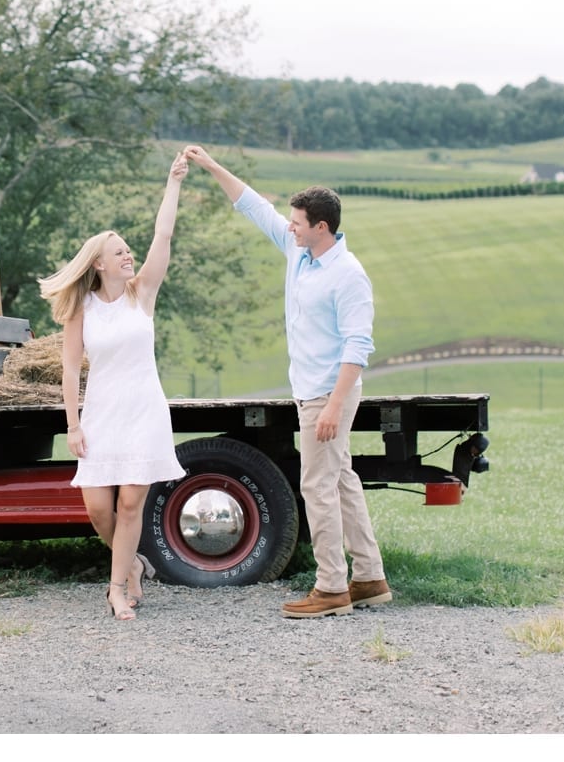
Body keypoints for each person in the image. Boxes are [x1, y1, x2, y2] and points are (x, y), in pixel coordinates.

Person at [184, 145, 391, 619]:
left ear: (322, 227)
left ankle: (332, 587)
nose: (289, 226)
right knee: (341, 482)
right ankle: (370, 577)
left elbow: (357, 349)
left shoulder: (348, 275)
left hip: (329, 394)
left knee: (317, 486)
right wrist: (213, 166)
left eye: (297, 222)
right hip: (312, 391)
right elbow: (253, 205)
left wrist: (335, 408)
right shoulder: (299, 254)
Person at [38, 152, 189, 621]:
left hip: (144, 410)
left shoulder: (142, 293)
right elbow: (68, 370)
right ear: (99, 264)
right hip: (101, 416)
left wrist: (174, 183)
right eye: (120, 251)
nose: (129, 255)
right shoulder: (82, 307)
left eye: (129, 249)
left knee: (129, 504)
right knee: (101, 512)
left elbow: (163, 235)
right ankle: (134, 564)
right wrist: (73, 424)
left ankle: (117, 589)